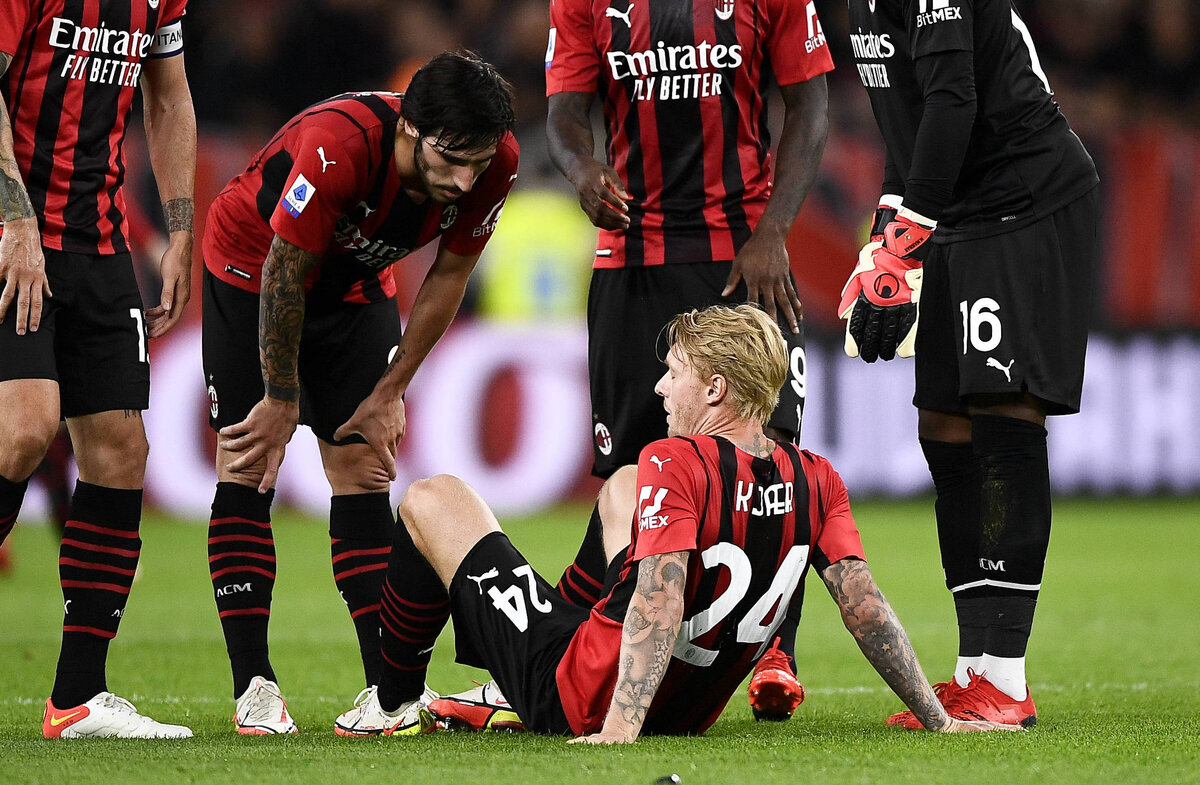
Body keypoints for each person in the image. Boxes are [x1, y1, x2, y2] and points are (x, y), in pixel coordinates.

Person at [332, 304, 1018, 739]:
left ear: (715, 388)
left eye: (674, 373)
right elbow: (867, 610)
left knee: (431, 496)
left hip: (582, 696)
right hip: (688, 709)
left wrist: (617, 729)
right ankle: (544, 651)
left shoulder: (676, 461)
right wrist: (939, 717)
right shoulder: (818, 477)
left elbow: (659, 599)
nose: (660, 387)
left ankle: (391, 705)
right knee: (622, 488)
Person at [200, 51, 518, 734]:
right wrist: (281, 397)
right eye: (450, 158)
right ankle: (253, 685)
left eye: (478, 160)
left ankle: (388, 688)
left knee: (364, 463)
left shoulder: (495, 163)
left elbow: (451, 274)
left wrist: (392, 388)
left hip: (353, 286)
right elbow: (285, 271)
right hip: (251, 265)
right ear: (408, 129)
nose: (464, 179)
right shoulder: (338, 146)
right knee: (251, 461)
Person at [542, 0, 834, 721]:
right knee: (632, 473)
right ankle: (615, 654)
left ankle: (775, 652)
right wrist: (582, 171)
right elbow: (564, 114)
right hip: (631, 263)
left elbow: (810, 104)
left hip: (742, 256)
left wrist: (773, 232)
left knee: (769, 455)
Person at [839, 0, 1100, 728]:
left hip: (1026, 200)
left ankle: (1005, 678)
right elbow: (910, 125)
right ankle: (972, 670)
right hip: (959, 215)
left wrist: (904, 239)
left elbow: (956, 100)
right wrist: (884, 243)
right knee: (943, 427)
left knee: (1003, 414)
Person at [0, 0, 196, 739]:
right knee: (23, 430)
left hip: (102, 246)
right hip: (10, 233)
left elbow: (170, 95)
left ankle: (78, 695)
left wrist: (179, 229)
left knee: (121, 452)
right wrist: (16, 221)